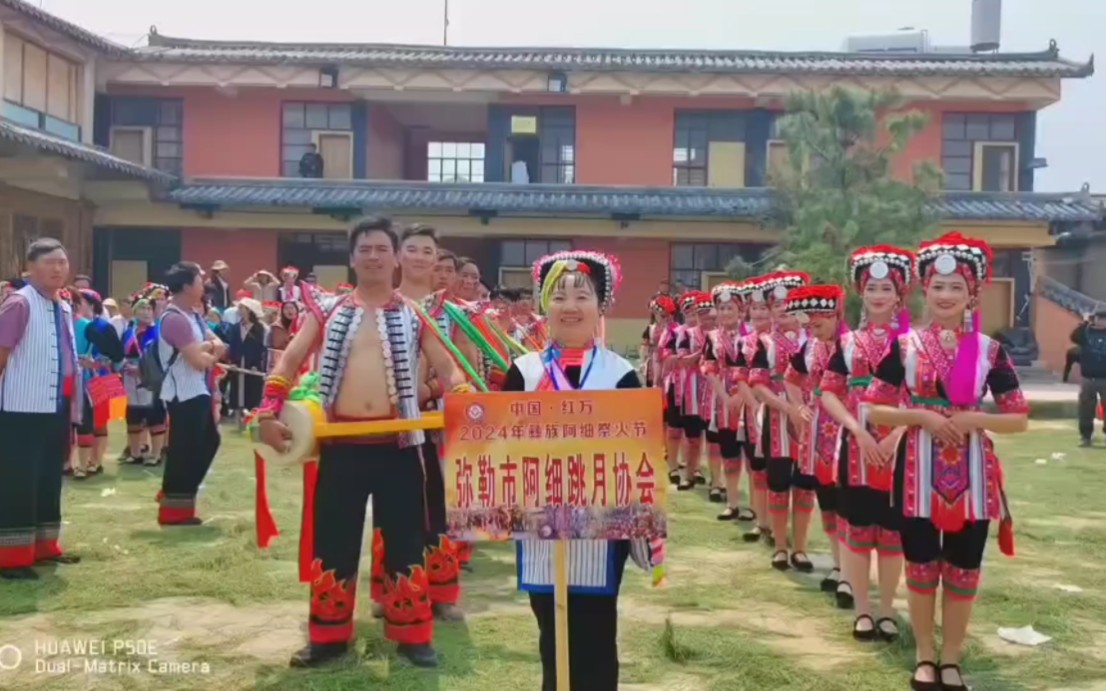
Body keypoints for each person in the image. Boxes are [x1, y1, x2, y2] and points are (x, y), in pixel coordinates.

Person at [256, 216, 470, 669]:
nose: (374, 256)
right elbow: (291, 359)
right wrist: (267, 410)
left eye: (381, 249)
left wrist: (464, 400)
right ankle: (328, 639)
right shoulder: (327, 310)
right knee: (333, 540)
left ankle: (413, 638)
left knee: (406, 541)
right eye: (365, 249)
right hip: (342, 446)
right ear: (352, 258)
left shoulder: (415, 314)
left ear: (394, 258)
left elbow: (448, 369)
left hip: (401, 445)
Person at [864, 232, 1028, 691]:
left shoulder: (991, 352)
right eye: (938, 287)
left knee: (962, 566)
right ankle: (923, 656)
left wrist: (974, 418)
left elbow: (1018, 418)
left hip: (973, 473)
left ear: (972, 293)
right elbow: (874, 407)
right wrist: (922, 416)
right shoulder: (904, 348)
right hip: (915, 467)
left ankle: (951, 658)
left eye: (956, 288)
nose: (946, 296)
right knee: (920, 563)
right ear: (925, 290)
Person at [504, 250, 662, 691]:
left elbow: (638, 456)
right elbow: (499, 449)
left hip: (601, 529)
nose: (570, 306)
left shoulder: (621, 375)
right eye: (559, 296)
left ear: (600, 306)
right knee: (551, 637)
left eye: (582, 295)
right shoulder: (523, 373)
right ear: (543, 305)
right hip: (540, 524)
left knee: (596, 634)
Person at [820, 245, 914, 626]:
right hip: (855, 448)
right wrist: (856, 430)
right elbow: (828, 391)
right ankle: (862, 610)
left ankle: (888, 610)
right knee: (857, 532)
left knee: (891, 536)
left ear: (899, 295)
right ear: (862, 292)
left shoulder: (913, 344)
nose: (878, 296)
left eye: (886, 290)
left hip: (900, 450)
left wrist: (899, 435)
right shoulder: (846, 343)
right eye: (871, 289)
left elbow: (930, 398)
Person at [0, 238, 82, 580]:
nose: (58, 269)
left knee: (50, 476)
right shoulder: (20, 303)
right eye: (50, 262)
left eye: (62, 262)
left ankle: (45, 546)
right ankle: (11, 557)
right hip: (21, 405)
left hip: (55, 404)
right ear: (31, 267)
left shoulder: (63, 305)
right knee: (19, 479)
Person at [781, 285, 845, 583]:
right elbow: (791, 378)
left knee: (848, 504)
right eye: (810, 326)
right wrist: (798, 406)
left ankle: (848, 568)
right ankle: (838, 563)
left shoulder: (851, 345)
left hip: (848, 435)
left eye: (818, 325)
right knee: (828, 502)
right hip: (818, 437)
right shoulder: (808, 347)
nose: (813, 331)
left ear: (834, 316)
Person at [747, 271, 810, 566]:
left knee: (805, 485)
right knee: (778, 482)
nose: (784, 308)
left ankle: (800, 547)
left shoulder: (815, 340)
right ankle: (780, 546)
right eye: (777, 304)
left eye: (790, 302)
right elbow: (758, 384)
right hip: (777, 420)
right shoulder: (764, 343)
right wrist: (785, 408)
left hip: (811, 418)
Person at [158, 262, 228, 526]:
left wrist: (206, 348)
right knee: (184, 450)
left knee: (208, 443)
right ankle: (173, 506)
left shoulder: (194, 316)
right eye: (199, 281)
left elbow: (220, 347)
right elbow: (198, 361)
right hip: (183, 392)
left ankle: (178, 498)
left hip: (198, 390)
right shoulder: (174, 318)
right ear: (186, 286)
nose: (203, 286)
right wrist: (209, 350)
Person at [73, 289, 125, 477]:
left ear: (92, 304)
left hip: (100, 378)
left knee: (100, 421)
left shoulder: (103, 327)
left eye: (81, 301)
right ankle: (87, 461)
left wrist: (96, 363)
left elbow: (117, 355)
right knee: (85, 419)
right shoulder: (75, 324)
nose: (78, 305)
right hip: (82, 377)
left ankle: (96, 460)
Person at [121, 298, 168, 465]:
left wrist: (141, 370)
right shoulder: (128, 331)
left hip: (151, 378)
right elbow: (122, 354)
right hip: (130, 379)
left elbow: (160, 358)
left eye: (149, 308)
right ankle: (135, 452)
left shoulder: (157, 332)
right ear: (135, 312)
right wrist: (123, 366)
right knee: (133, 415)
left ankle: (155, 454)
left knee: (154, 415)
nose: (146, 312)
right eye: (143, 308)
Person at [226, 298, 267, 415]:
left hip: (253, 364)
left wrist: (255, 364)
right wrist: (232, 361)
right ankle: (236, 412)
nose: (239, 310)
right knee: (237, 387)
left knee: (252, 389)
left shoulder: (260, 328)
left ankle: (251, 411)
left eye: (242, 308)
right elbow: (232, 345)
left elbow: (260, 348)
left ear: (249, 310)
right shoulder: (234, 327)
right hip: (238, 362)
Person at [1072, 308, 1106, 446]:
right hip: (1088, 378)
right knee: (1086, 409)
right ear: (1095, 319)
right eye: (1100, 318)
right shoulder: (1086, 332)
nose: (1102, 321)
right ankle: (1086, 436)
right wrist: (1084, 322)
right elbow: (1074, 337)